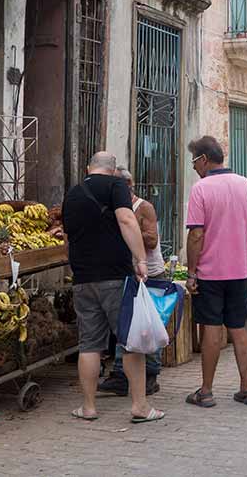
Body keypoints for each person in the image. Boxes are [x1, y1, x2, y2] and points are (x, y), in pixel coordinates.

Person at [63, 151, 162, 423]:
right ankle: (140, 407)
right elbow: (127, 220)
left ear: (88, 168)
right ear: (113, 170)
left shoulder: (73, 193)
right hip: (115, 277)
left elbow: (69, 236)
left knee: (90, 344)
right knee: (130, 342)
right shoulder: (116, 185)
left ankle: (89, 407)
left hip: (83, 278)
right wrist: (141, 260)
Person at [184, 136, 247, 409]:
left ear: (204, 159)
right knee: (238, 328)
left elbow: (196, 234)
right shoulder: (245, 185)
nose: (194, 167)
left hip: (210, 273)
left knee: (211, 329)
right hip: (240, 272)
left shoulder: (201, 189)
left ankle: (206, 391)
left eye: (194, 160)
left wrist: (191, 272)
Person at [98, 167, 164, 397]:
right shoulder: (113, 209)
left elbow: (153, 240)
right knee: (125, 326)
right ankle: (120, 375)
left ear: (127, 186)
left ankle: (151, 375)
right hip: (127, 273)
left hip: (150, 274)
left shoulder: (143, 207)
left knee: (148, 326)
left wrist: (127, 229)